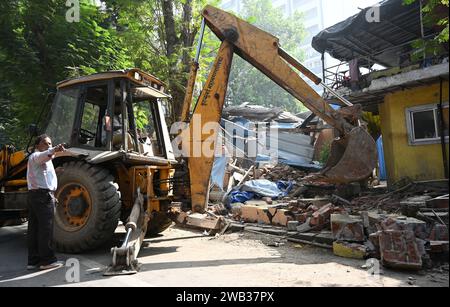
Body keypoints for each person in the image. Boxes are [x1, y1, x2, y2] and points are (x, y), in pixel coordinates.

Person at [26, 134, 66, 271]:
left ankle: (33, 261)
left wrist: (55, 171)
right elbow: (44, 155)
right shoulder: (36, 156)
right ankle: (47, 261)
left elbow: (41, 175)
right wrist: (55, 148)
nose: (48, 146)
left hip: (37, 196)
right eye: (45, 143)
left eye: (50, 143)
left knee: (34, 229)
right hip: (42, 196)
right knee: (46, 229)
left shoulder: (42, 160)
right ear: (37, 145)